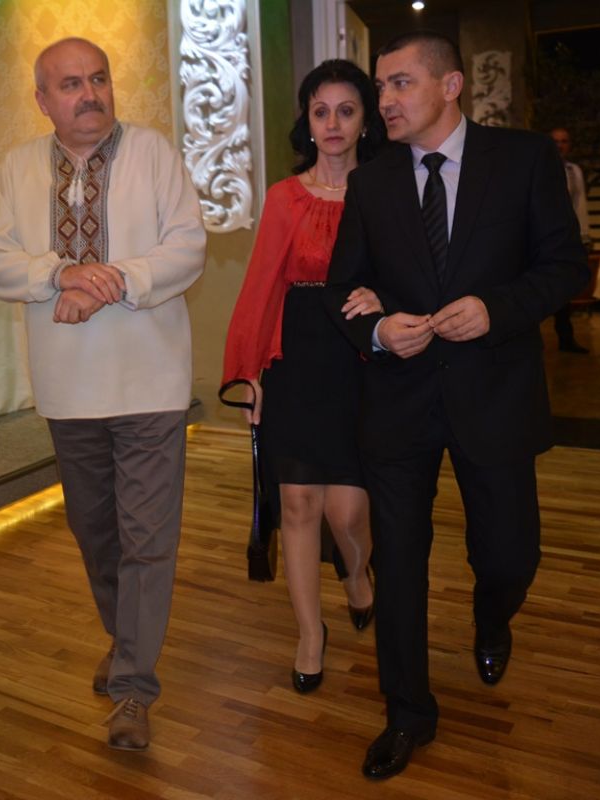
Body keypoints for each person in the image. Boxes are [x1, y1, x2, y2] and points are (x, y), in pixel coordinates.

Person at [323, 31, 588, 780]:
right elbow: (343, 290)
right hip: (399, 401)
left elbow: (564, 266)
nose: (384, 101)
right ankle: (407, 711)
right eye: (381, 87)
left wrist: (497, 310)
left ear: (450, 86)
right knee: (400, 564)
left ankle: (492, 615)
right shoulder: (372, 182)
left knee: (509, 554)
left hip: (495, 394)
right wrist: (379, 330)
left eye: (400, 84)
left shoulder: (524, 159)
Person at [0, 37, 205, 751]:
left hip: (151, 380)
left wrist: (110, 280)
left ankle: (134, 687)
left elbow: (187, 248)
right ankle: (126, 638)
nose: (89, 94)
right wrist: (59, 275)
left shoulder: (154, 153)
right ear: (43, 100)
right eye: (71, 84)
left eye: (98, 79)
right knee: (96, 533)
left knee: (147, 539)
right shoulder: (17, 167)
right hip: (68, 389)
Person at [222, 59, 385, 694]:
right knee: (297, 503)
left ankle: (357, 573)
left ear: (365, 120)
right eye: (321, 111)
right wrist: (249, 372)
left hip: (361, 362)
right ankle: (310, 633)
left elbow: (412, 272)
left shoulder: (387, 189)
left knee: (347, 513)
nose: (333, 123)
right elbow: (262, 285)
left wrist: (387, 298)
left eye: (346, 110)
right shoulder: (284, 197)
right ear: (308, 122)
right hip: (295, 359)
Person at [550, 126, 591, 353]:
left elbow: (580, 204)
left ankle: (566, 338)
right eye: (555, 141)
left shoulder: (575, 171)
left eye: (564, 141)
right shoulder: (539, 167)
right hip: (540, 238)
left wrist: (584, 235)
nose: (559, 145)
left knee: (563, 290)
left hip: (565, 238)